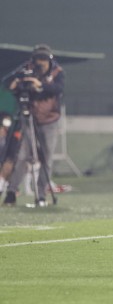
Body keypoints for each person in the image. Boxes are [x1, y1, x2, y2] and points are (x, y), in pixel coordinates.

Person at [2, 44, 65, 207]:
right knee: (22, 156)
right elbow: (7, 81)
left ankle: (41, 195)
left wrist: (40, 86)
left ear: (50, 60)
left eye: (43, 59)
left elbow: (58, 89)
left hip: (49, 120)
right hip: (29, 116)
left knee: (46, 158)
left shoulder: (57, 72)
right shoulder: (27, 69)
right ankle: (11, 192)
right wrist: (17, 82)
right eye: (38, 59)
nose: (40, 63)